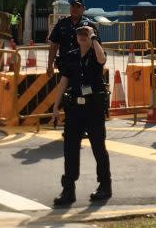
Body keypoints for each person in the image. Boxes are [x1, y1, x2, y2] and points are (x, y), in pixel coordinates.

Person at [51, 25, 111, 206]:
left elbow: (102, 60)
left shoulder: (96, 53)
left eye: (86, 34)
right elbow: (64, 81)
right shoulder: (71, 55)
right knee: (69, 148)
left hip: (93, 107)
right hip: (75, 108)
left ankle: (105, 186)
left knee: (98, 147)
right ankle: (68, 189)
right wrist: (56, 106)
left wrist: (94, 40)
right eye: (80, 34)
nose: (82, 37)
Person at [46, 0, 98, 74]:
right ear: (70, 8)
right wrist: (50, 65)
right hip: (65, 66)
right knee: (64, 85)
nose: (75, 9)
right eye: (73, 6)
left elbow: (96, 45)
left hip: (84, 66)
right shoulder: (61, 23)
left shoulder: (89, 24)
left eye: (78, 6)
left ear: (83, 9)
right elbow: (54, 45)